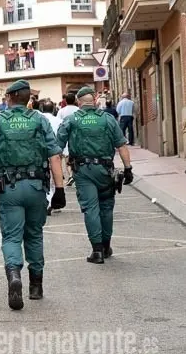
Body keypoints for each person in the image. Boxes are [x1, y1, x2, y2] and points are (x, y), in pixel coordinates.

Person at [0, 80, 66, 311]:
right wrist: (60, 189)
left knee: (12, 237)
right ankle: (36, 287)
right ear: (27, 98)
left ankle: (14, 275)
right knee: (34, 235)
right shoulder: (39, 120)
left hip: (8, 189)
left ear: (9, 97)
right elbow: (55, 156)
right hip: (36, 187)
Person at [57, 87, 133, 263]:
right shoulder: (107, 119)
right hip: (105, 170)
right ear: (94, 100)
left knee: (90, 208)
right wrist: (128, 168)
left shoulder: (71, 120)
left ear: (78, 102)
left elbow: (57, 148)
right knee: (106, 208)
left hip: (83, 171)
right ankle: (106, 246)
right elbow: (121, 145)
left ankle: (97, 250)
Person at [39, 101, 62, 215]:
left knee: (45, 178)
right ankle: (52, 198)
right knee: (53, 178)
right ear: (53, 109)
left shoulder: (38, 119)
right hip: (55, 152)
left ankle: (47, 200)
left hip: (42, 153)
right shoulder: (58, 120)